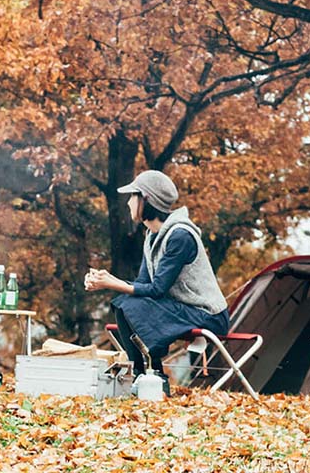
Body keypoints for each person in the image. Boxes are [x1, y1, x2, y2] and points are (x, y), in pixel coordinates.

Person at [84, 169, 230, 395]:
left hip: (207, 314)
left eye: (133, 197)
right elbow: (143, 283)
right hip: (182, 309)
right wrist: (105, 280)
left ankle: (153, 376)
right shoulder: (152, 236)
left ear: (146, 199)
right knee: (123, 303)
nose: (129, 203)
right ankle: (144, 375)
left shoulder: (180, 236)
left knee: (128, 302)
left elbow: (157, 289)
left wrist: (111, 282)